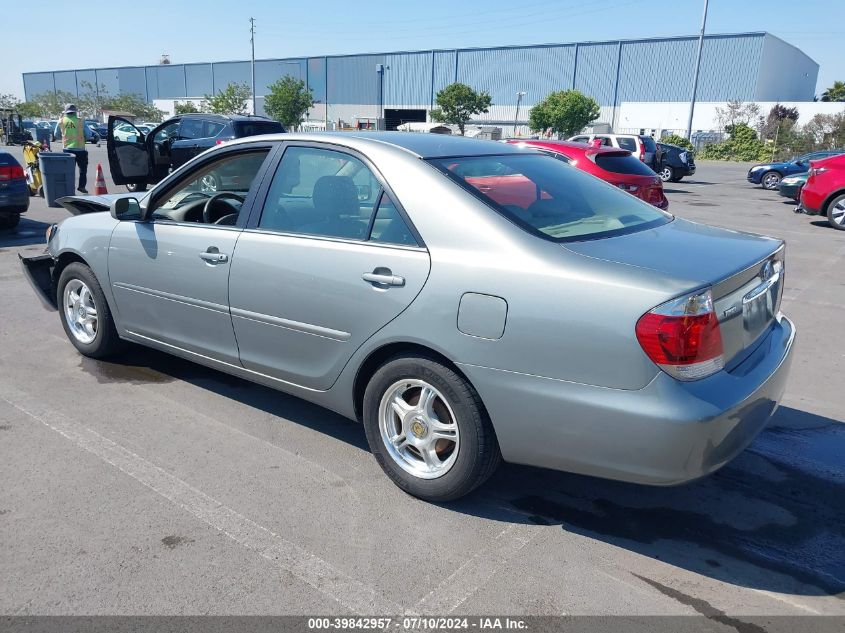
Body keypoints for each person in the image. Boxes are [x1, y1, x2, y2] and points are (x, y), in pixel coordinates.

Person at [58, 104, 88, 193]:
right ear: (75, 112)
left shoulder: (61, 121)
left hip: (67, 150)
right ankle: (81, 187)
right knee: (82, 170)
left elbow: (56, 134)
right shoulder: (81, 121)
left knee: (68, 171)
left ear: (65, 112)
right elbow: (88, 134)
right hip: (80, 150)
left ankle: (69, 188)